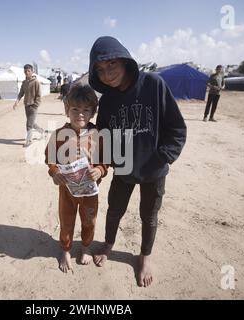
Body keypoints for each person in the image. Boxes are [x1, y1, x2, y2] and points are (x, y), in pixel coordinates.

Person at [88, 36, 186, 287]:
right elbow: (104, 136)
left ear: (125, 60)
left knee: (149, 215)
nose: (107, 74)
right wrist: (101, 164)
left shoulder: (153, 84)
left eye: (111, 65)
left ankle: (144, 257)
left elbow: (176, 127)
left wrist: (163, 156)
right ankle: (108, 244)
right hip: (124, 167)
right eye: (100, 69)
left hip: (153, 170)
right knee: (115, 209)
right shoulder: (108, 99)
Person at [44, 83, 108, 273]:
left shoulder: (98, 135)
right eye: (75, 109)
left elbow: (105, 161)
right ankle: (65, 250)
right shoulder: (59, 135)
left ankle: (86, 247)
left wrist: (100, 170)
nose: (80, 114)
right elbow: (50, 158)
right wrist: (54, 172)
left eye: (86, 110)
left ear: (92, 113)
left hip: (90, 192)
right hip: (67, 191)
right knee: (66, 221)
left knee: (89, 220)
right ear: (66, 110)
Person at [13, 64, 44, 146]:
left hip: (33, 107)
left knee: (29, 125)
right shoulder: (24, 83)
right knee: (32, 123)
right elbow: (21, 93)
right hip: (26, 106)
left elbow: (39, 96)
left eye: (28, 71)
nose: (27, 73)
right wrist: (17, 101)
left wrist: (35, 106)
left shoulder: (36, 82)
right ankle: (41, 131)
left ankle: (29, 141)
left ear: (32, 71)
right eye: (25, 71)